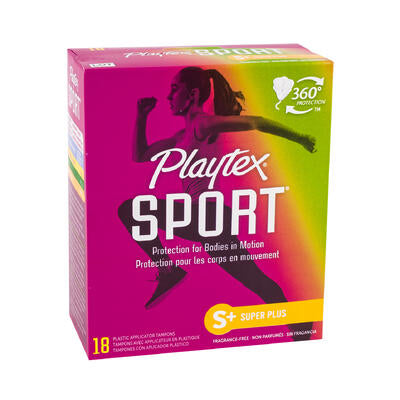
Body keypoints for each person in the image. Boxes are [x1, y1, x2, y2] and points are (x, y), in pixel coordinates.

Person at [118, 67, 316, 340]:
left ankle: (168, 270)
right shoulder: (180, 137)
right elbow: (140, 155)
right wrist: (142, 116)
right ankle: (302, 329)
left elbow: (256, 122)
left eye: (175, 89)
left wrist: (301, 138)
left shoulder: (202, 124)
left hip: (207, 214)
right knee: (256, 280)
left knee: (133, 209)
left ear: (192, 94)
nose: (169, 96)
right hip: (204, 219)